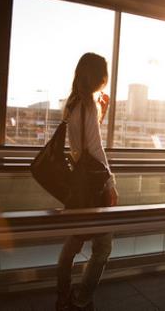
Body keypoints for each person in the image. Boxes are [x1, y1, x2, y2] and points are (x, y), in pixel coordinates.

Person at [56, 53, 119, 311]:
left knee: (74, 241)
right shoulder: (88, 105)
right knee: (102, 247)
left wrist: (100, 112)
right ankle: (82, 300)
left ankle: (63, 297)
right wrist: (110, 183)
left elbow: (81, 144)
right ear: (97, 76)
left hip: (79, 184)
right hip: (94, 185)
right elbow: (95, 149)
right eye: (104, 73)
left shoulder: (72, 104)